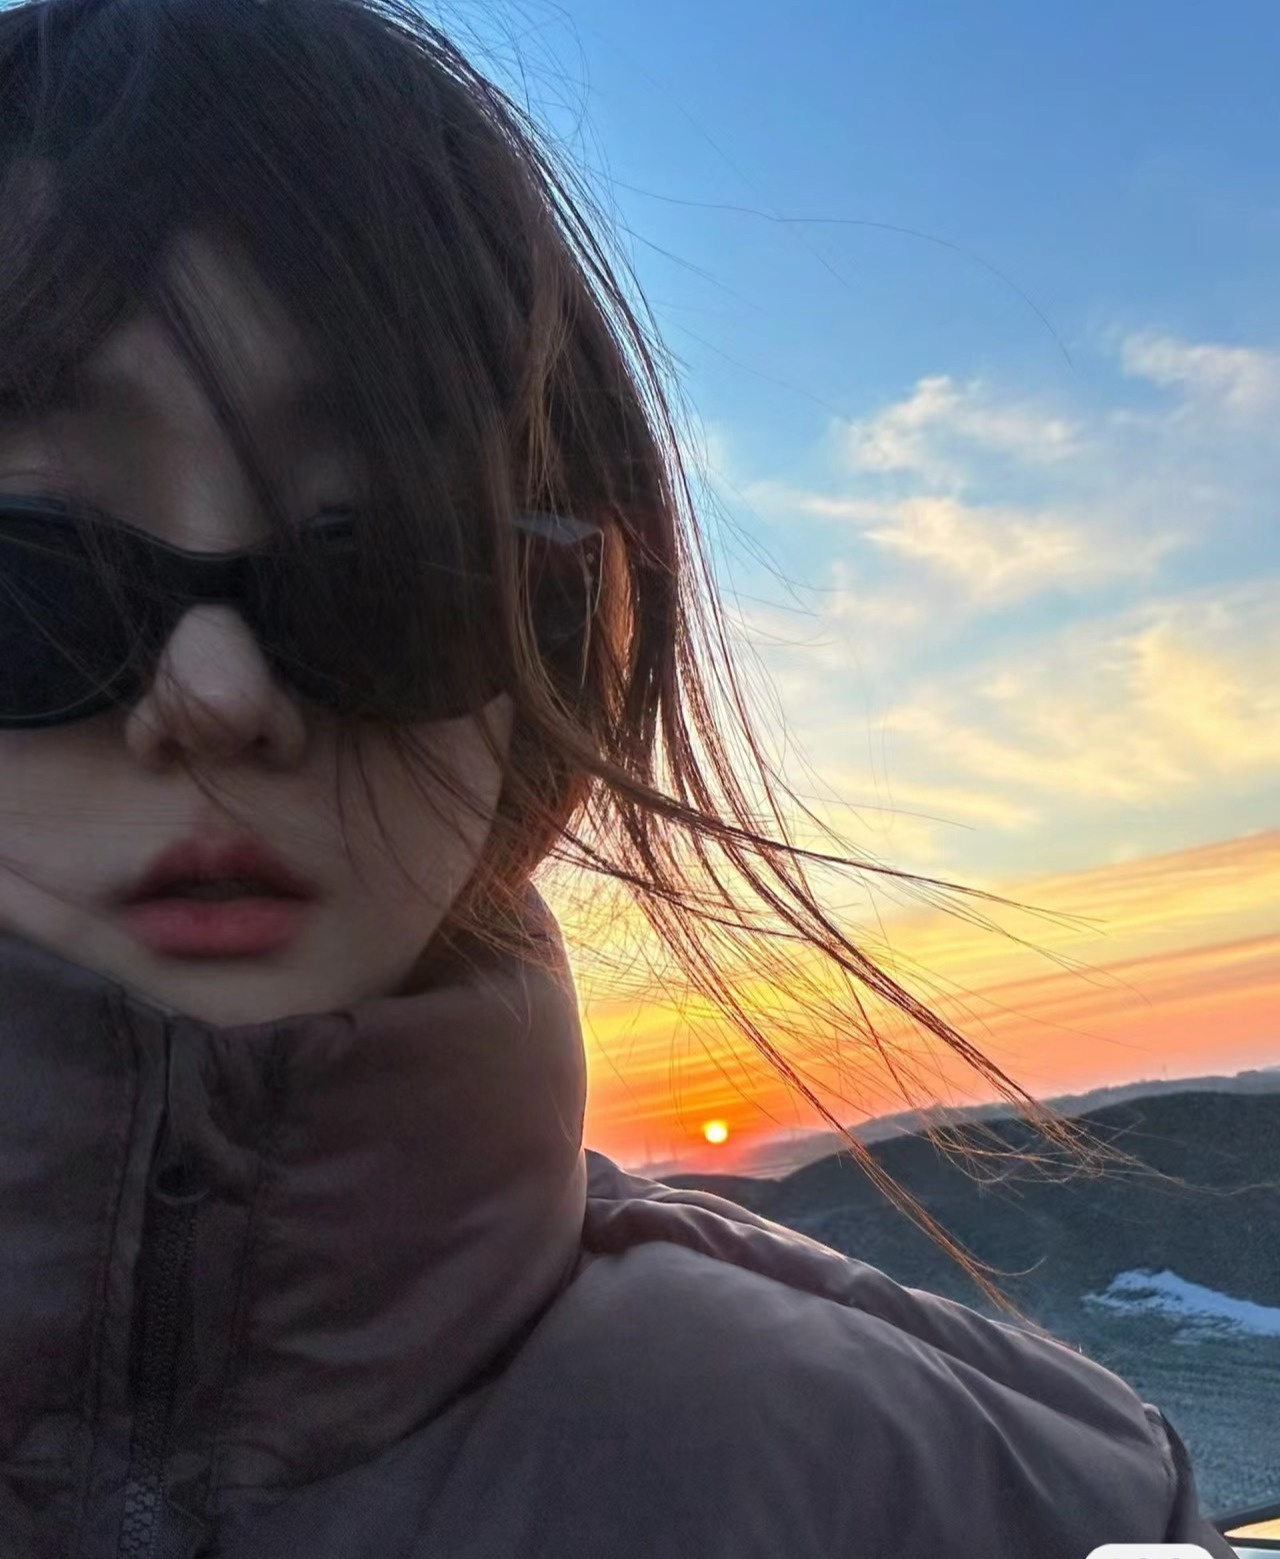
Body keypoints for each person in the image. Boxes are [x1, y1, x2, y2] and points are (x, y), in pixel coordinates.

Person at [0, 1, 1233, 1555]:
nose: (218, 698)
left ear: (565, 631)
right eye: (33, 573)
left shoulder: (1011, 1507)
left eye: (386, 566)